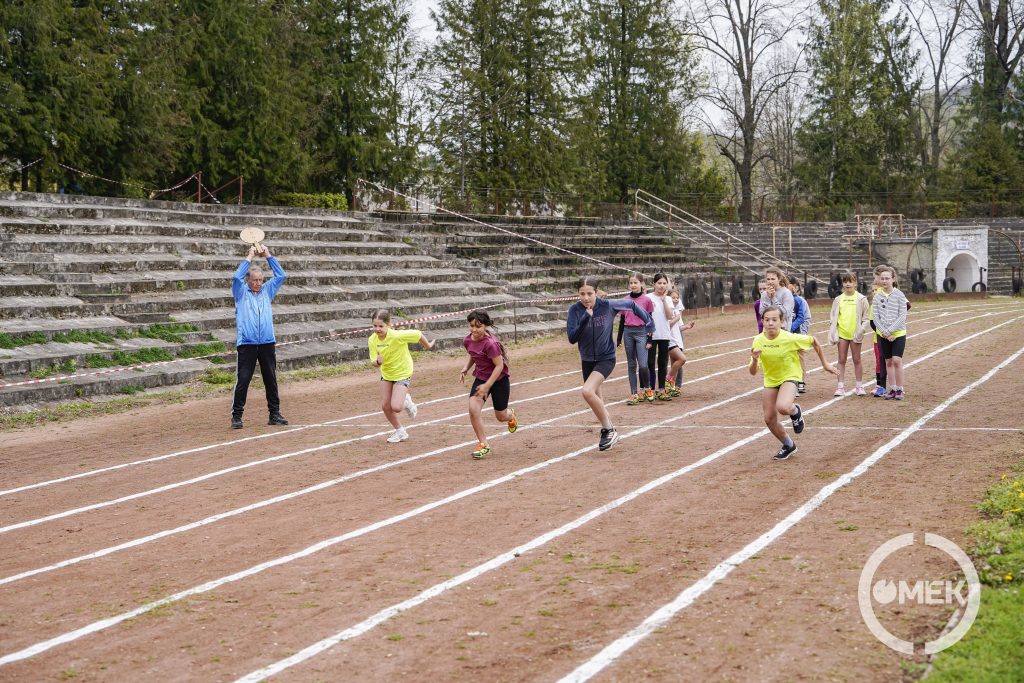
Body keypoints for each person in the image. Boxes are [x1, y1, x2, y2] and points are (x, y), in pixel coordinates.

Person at [567, 277, 655, 451]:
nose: (585, 298)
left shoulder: (608, 306)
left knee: (587, 391)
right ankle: (608, 428)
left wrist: (649, 323)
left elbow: (631, 306)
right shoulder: (575, 310)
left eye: (589, 294)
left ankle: (609, 429)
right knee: (596, 398)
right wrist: (585, 318)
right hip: (586, 359)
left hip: (606, 358)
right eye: (582, 294)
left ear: (597, 293)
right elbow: (572, 338)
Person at [750, 305, 837, 460]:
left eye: (774, 320)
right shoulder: (758, 341)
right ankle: (789, 445)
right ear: (762, 321)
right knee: (769, 418)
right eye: (767, 320)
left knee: (783, 407)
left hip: (790, 376)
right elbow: (753, 372)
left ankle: (795, 410)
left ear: (782, 322)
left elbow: (814, 341)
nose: (770, 323)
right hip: (771, 380)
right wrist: (755, 359)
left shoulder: (789, 338)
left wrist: (825, 364)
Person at [231, 243, 287, 429]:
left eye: (260, 280)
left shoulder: (267, 291)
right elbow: (235, 277)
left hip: (267, 342)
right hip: (247, 344)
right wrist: (249, 257)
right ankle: (237, 416)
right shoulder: (240, 293)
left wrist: (268, 255)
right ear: (249, 280)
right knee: (244, 379)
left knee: (270, 378)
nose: (258, 283)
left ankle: (274, 413)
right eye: (254, 280)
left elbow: (281, 275)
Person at [369, 309, 435, 443]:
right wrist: (377, 362)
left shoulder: (397, 336)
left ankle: (406, 401)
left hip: (402, 372)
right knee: (385, 406)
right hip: (387, 373)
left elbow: (418, 334)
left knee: (397, 407)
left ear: (389, 325)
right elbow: (373, 362)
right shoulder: (372, 340)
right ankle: (400, 431)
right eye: (375, 326)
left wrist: (428, 346)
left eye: (381, 326)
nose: (377, 329)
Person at [461, 310, 518, 459]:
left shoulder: (491, 343)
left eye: (478, 326)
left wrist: (488, 385)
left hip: (499, 380)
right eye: (471, 326)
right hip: (481, 379)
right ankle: (483, 444)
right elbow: (473, 355)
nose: (474, 329)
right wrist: (466, 368)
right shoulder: (467, 340)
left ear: (485, 326)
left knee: (501, 416)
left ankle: (511, 416)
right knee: (473, 409)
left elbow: (499, 366)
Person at [827, 272, 871, 396]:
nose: (848, 284)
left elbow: (866, 317)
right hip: (842, 334)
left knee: (857, 359)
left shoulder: (861, 299)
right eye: (845, 282)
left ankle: (859, 386)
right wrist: (834, 330)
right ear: (843, 284)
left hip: (855, 334)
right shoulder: (838, 299)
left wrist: (861, 330)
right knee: (841, 359)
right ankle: (840, 387)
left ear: (855, 283)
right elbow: (833, 316)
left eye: (850, 281)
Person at [615, 273, 656, 404]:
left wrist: (650, 339)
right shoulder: (625, 300)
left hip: (642, 332)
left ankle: (647, 388)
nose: (633, 285)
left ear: (641, 284)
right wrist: (619, 339)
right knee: (631, 364)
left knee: (643, 364)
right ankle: (634, 393)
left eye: (635, 282)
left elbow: (650, 320)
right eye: (631, 283)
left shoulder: (646, 300)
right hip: (628, 332)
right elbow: (622, 320)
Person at [871, 266, 908, 400]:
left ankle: (900, 389)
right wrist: (884, 332)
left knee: (897, 360)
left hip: (898, 333)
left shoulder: (899, 295)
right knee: (888, 362)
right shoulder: (877, 297)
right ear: (879, 280)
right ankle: (892, 389)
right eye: (882, 278)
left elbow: (902, 315)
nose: (885, 281)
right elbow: (876, 317)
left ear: (893, 279)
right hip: (883, 334)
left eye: (887, 278)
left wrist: (891, 330)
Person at [645, 273, 677, 401]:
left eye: (664, 283)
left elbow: (670, 317)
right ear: (654, 284)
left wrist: (664, 301)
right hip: (651, 335)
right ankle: (651, 389)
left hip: (664, 334)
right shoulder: (648, 298)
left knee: (663, 363)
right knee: (650, 363)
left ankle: (662, 389)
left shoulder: (668, 299)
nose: (662, 286)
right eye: (659, 283)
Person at [668, 287, 695, 392]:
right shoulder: (668, 311)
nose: (675, 299)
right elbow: (667, 325)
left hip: (678, 340)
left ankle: (671, 387)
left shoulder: (677, 312)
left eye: (677, 298)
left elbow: (679, 327)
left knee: (674, 364)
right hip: (670, 340)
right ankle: (668, 379)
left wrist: (687, 326)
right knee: (682, 359)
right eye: (673, 298)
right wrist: (676, 318)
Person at [788, 278, 811, 393]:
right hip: (785, 335)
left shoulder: (799, 301)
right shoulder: (781, 300)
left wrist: (791, 328)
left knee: (799, 359)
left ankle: (801, 383)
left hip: (797, 334)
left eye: (790, 285)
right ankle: (790, 384)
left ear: (795, 287)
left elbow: (803, 317)